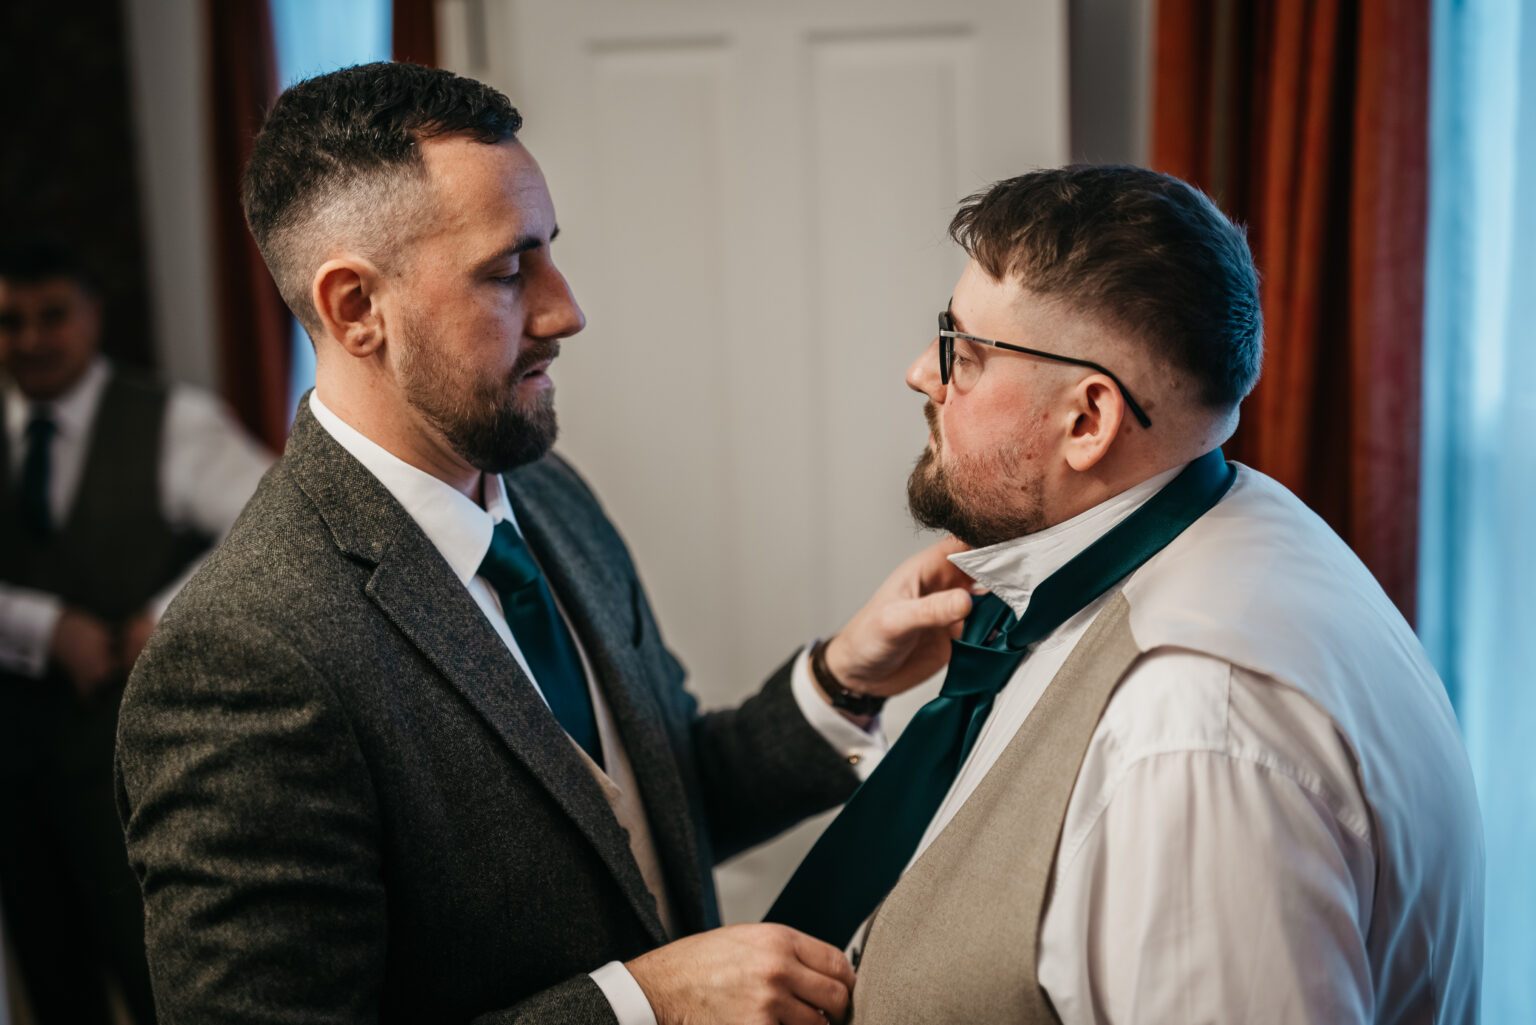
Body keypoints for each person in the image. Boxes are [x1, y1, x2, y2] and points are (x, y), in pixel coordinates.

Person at [114, 62, 974, 1025]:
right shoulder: (243, 657)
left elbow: (646, 813)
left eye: (550, 254)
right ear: (357, 309)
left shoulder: (547, 494)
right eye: (508, 270)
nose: (566, 311)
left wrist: (841, 679)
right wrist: (640, 1005)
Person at [767, 166, 1484, 1024]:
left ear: (1088, 421)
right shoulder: (1244, 525)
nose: (923, 371)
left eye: (964, 348)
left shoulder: (1192, 736)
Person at [0, 240, 272, 1024]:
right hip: (12, 775)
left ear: (93, 317)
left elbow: (269, 517)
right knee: (53, 986)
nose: (32, 339)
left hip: (136, 774)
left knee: (160, 979)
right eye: (9, 321)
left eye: (53, 316)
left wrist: (167, 612)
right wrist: (40, 626)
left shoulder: (173, 420)